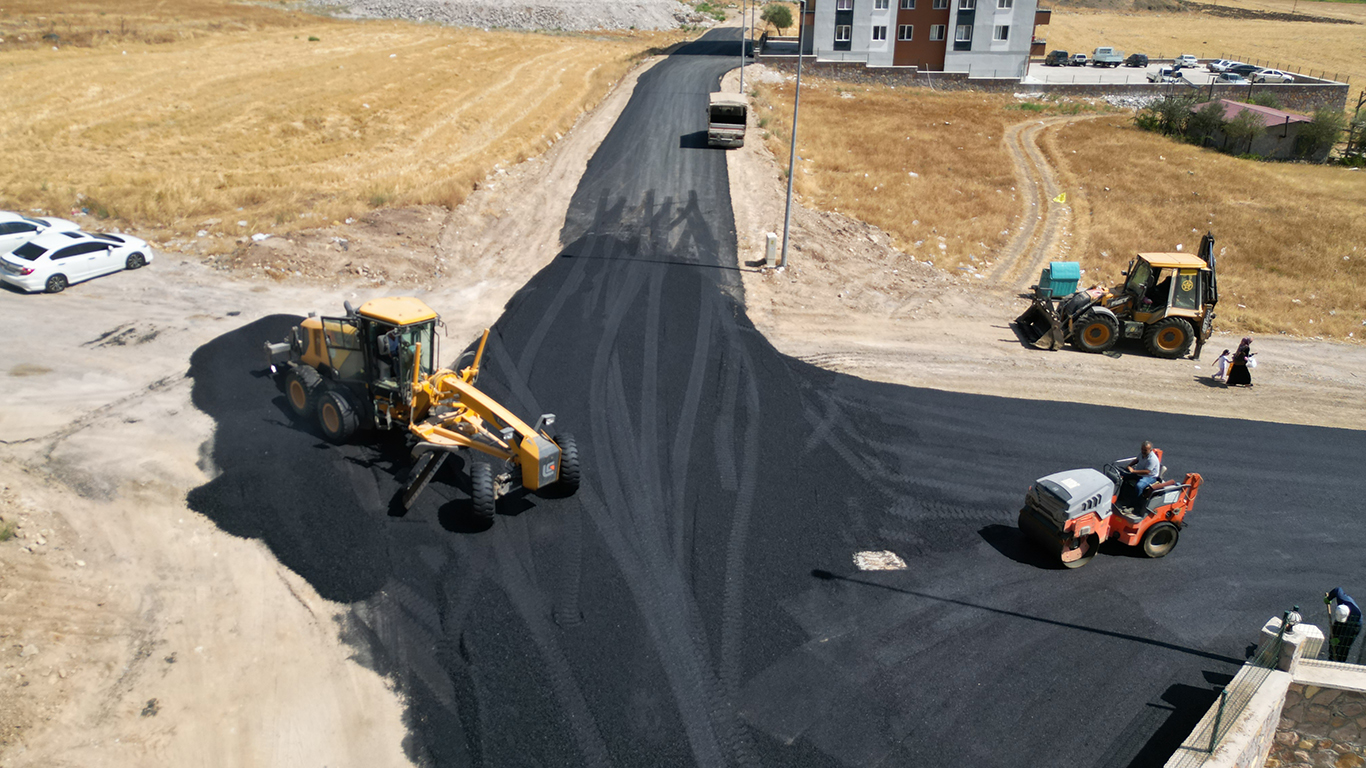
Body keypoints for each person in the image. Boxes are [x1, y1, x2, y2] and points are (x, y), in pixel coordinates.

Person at [1118, 441, 1161, 510]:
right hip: (1139, 473)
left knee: (1139, 486)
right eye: (1142, 449)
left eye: (1145, 450)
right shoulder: (1142, 454)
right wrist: (1129, 466)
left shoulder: (1152, 459)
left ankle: (1135, 506)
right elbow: (1137, 460)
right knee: (1121, 475)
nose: (1143, 451)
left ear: (1150, 450)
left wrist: (1133, 471)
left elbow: (1147, 472)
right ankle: (1120, 497)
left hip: (1149, 477)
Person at [1326, 588, 1362, 663]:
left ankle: (1340, 661)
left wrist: (1338, 639)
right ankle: (1331, 658)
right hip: (1345, 617)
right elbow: (1337, 590)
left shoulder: (1354, 616)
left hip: (1354, 626)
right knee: (1333, 636)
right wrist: (1329, 598)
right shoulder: (1342, 600)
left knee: (1344, 645)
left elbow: (1346, 634)